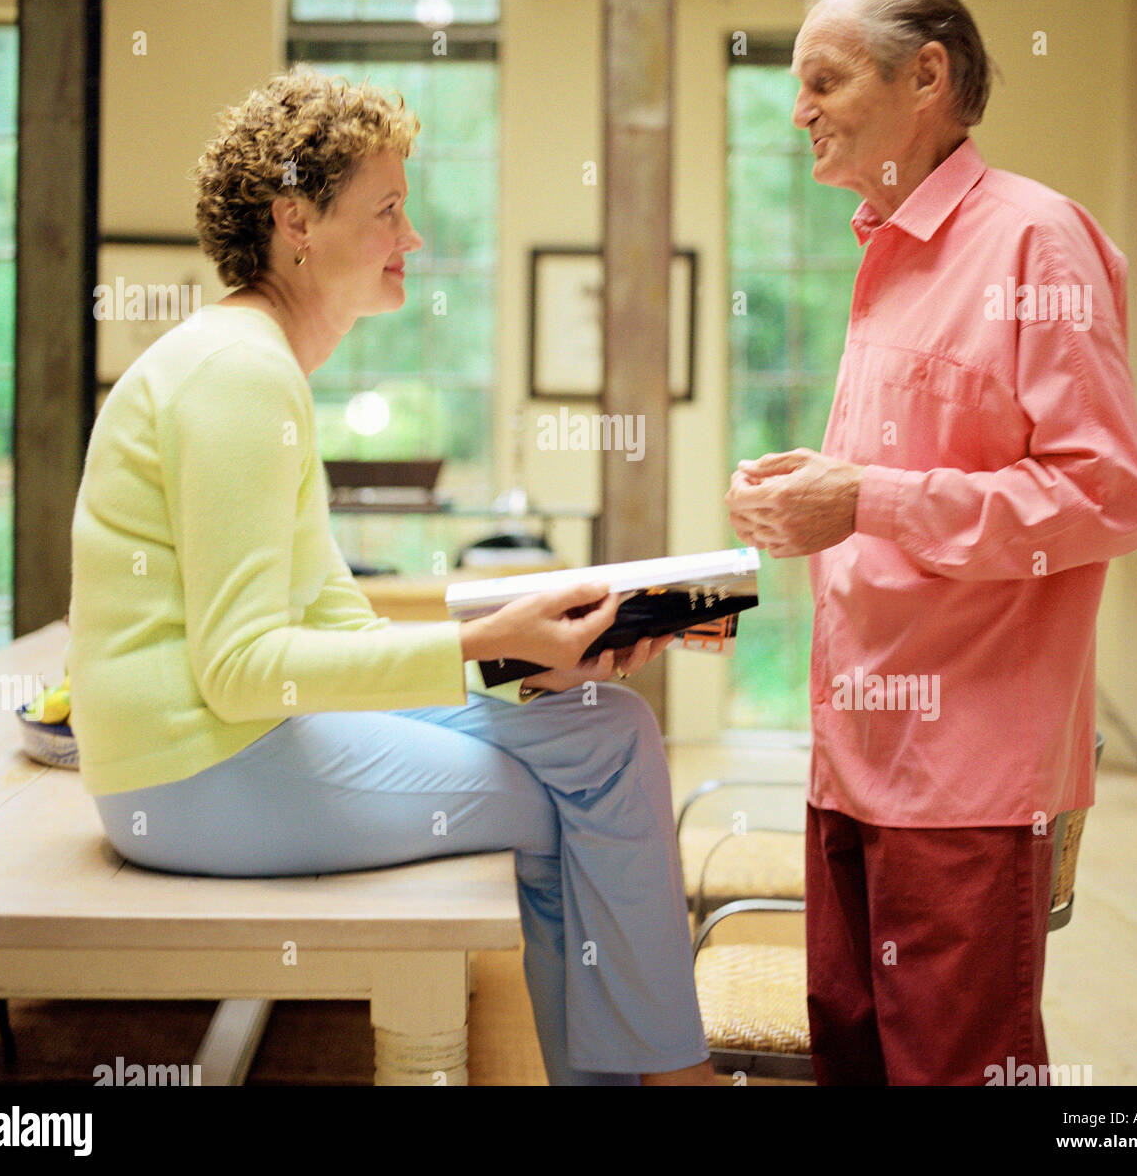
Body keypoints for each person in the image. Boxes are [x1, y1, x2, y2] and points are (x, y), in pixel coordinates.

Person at [67, 67, 714, 1087]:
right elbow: (240, 670)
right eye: (387, 209)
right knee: (566, 797)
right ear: (296, 220)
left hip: (236, 744)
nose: (412, 238)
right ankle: (661, 1081)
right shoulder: (240, 374)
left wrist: (536, 646)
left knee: (605, 724)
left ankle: (644, 1077)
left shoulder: (259, 364)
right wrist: (484, 643)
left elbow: (333, 621)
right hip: (193, 771)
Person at [725, 0, 1137, 1086]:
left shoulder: (1034, 242)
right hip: (852, 761)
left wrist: (863, 496)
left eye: (822, 80)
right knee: (854, 1060)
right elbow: (918, 480)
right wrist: (812, 492)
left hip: (965, 780)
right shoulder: (887, 249)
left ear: (925, 76)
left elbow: (1105, 495)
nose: (798, 110)